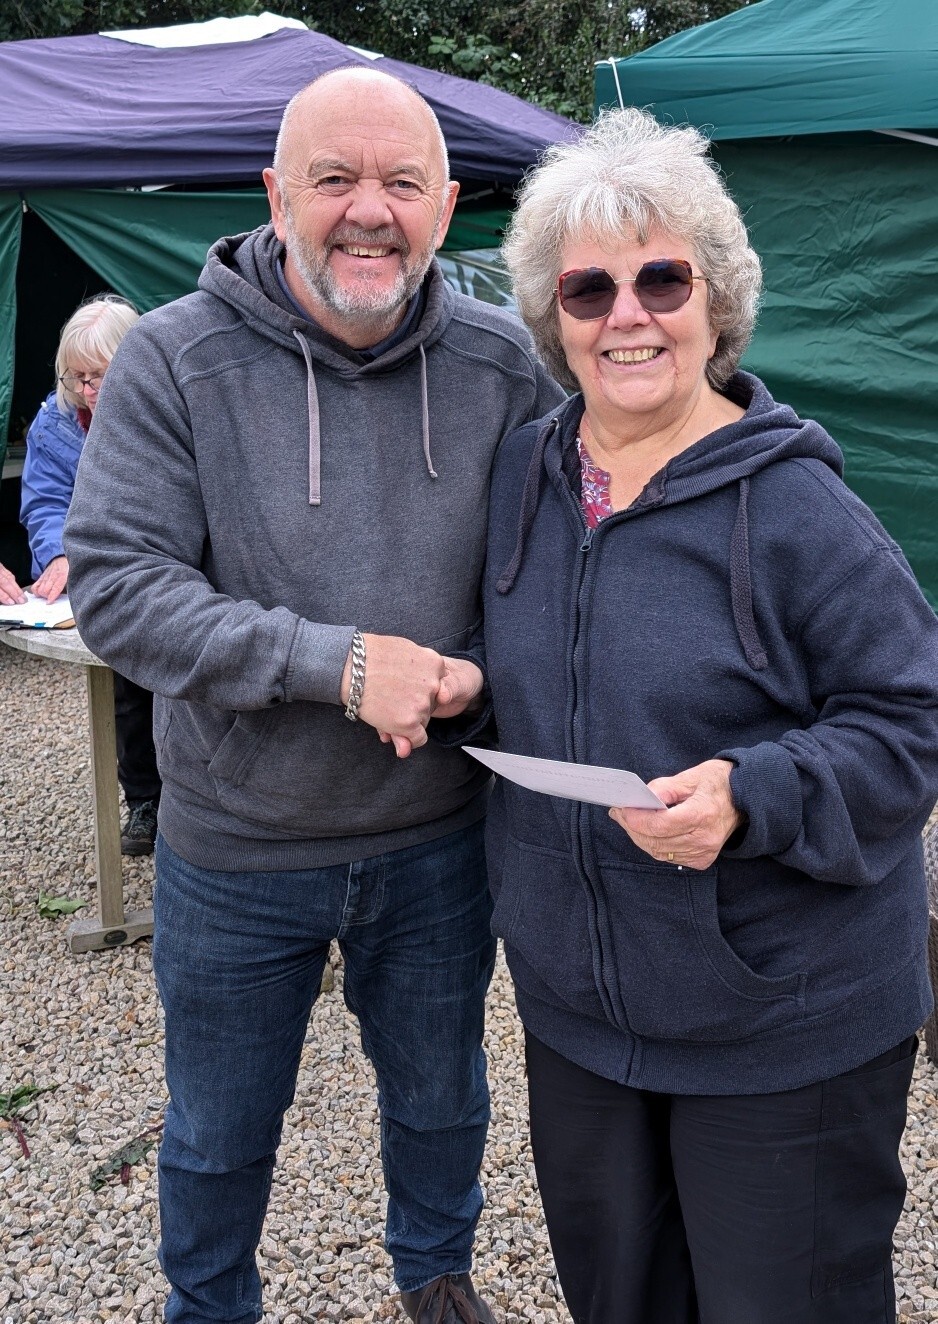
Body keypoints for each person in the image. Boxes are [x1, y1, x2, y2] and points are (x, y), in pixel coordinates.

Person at [63, 67, 563, 1324]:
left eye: (400, 182)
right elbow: (117, 588)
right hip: (237, 846)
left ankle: (434, 1277)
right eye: (333, 179)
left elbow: (567, 569)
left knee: (444, 1097)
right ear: (275, 192)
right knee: (221, 1126)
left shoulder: (508, 366)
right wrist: (337, 664)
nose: (367, 210)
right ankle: (210, 1300)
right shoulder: (176, 362)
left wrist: (491, 677)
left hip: (439, 836)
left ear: (449, 207)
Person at [443, 108, 938, 1323]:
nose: (626, 313)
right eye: (587, 289)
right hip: (582, 1019)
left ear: (715, 301)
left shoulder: (800, 509)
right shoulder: (524, 474)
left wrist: (752, 793)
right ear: (552, 322)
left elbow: (909, 719)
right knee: (618, 1301)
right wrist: (452, 680)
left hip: (780, 1023)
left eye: (661, 278)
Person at [20, 296, 163, 855]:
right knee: (125, 692)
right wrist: (59, 555)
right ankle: (145, 800)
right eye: (75, 377)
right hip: (104, 589)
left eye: (99, 376)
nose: (86, 390)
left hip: (162, 576)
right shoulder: (53, 425)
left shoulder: (167, 410)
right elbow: (46, 501)